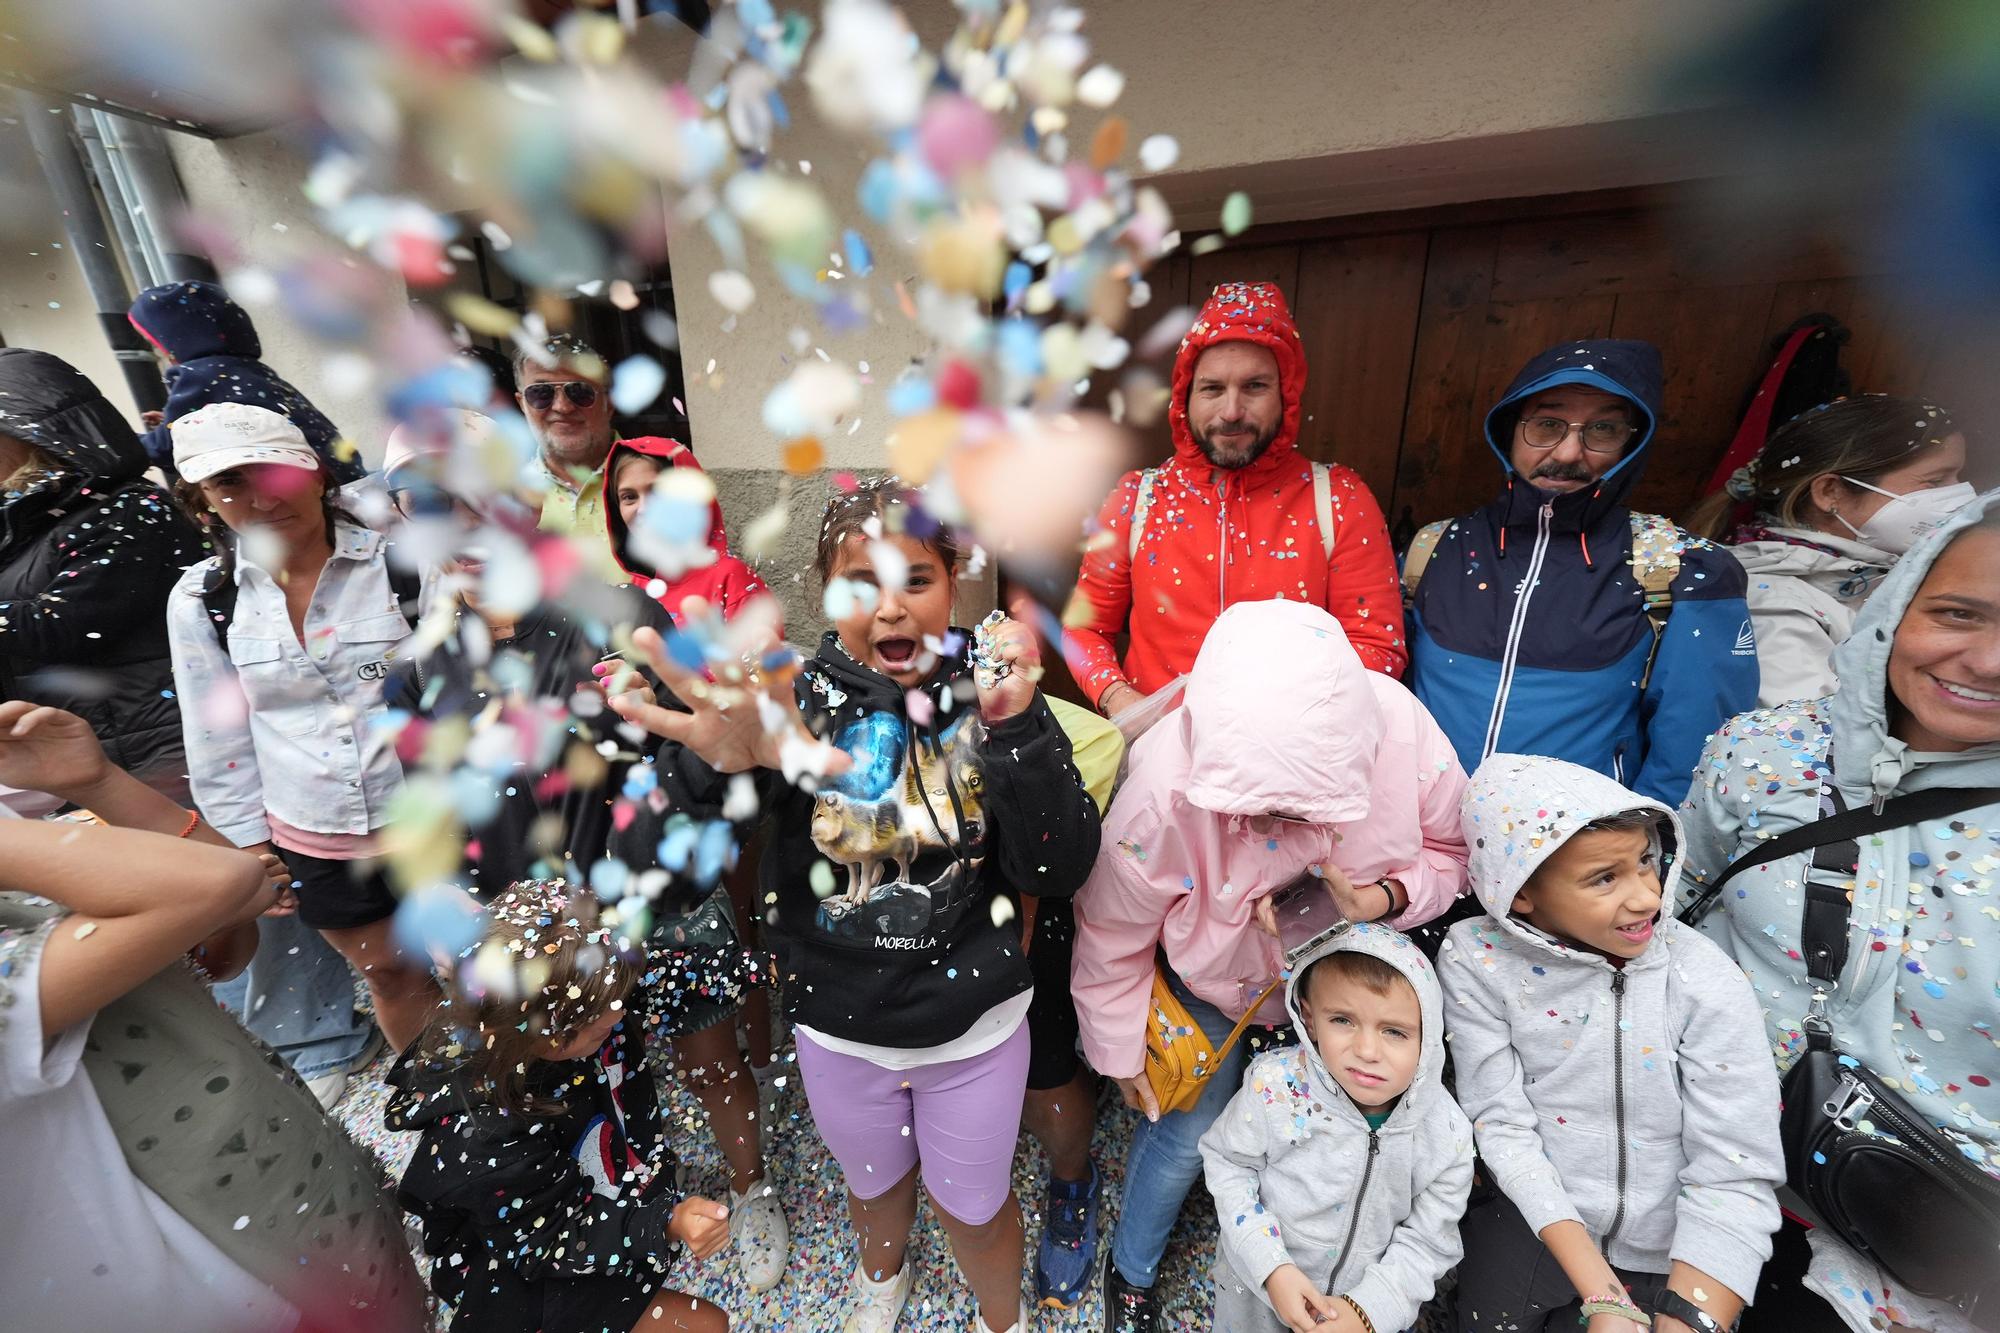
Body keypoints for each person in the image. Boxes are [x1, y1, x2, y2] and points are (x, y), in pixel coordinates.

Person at [605, 479, 1103, 1333]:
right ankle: (883, 1272)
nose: (891, 609)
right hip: (838, 1036)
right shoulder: (789, 704)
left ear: (955, 583)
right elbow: (658, 875)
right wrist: (709, 771)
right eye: (860, 584)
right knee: (872, 1186)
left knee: (976, 1207)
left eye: (917, 578)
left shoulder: (987, 702)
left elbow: (1058, 867)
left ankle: (1002, 1316)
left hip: (973, 1035)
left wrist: (1019, 731)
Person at [1071, 597, 1469, 1333]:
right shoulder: (1163, 788)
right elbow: (1111, 930)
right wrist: (1120, 1048)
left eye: (1302, 812)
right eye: (1254, 812)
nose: (1275, 832)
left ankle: (1345, 1275)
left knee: (1355, 1135)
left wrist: (1381, 898)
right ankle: (1129, 1270)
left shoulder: (1403, 732)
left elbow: (1454, 853)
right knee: (1187, 1131)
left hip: (1350, 995)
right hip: (1221, 993)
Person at [1678, 490, 2000, 1333]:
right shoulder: (1764, 751)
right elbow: (1674, 905)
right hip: (1698, 1187)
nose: (1990, 660)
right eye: (1960, 613)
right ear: (1900, 603)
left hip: (1919, 1269)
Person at [0, 700, 426, 1332]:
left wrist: (96, 783)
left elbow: (227, 942)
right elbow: (221, 885)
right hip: (221, 1288)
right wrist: (219, 884)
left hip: (298, 1199)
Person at [1441, 752, 1784, 1333]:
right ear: (1518, 892)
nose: (1648, 897)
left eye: (1647, 862)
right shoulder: (1477, 957)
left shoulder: (1702, 977)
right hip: (1533, 1225)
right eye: (1605, 878)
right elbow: (1498, 1120)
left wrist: (1686, 1319)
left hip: (1675, 1252)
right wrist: (1603, 1296)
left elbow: (1735, 1167)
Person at [164, 402, 440, 1059]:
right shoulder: (203, 599)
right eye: (230, 484)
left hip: (435, 814)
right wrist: (249, 845)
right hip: (315, 828)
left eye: (272, 473)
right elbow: (216, 734)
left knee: (478, 965)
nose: (260, 498)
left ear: (315, 473)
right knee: (390, 972)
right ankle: (453, 1115)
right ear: (203, 502)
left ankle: (528, 1113)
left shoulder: (404, 564)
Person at [1402, 339, 1759, 805]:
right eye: (1548, 425)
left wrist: (1639, 852)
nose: (1569, 452)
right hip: (1425, 845)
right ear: (1510, 430)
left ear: (1633, 444)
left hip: (1572, 858)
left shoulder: (1684, 572)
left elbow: (1693, 757)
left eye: (1603, 429)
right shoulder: (1434, 550)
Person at [385, 879, 739, 1333]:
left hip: (592, 1202)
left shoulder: (577, 993)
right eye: (598, 1032)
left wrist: (767, 970)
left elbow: (669, 982)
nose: (619, 1021)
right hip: (534, 1279)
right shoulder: (484, 1135)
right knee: (706, 1327)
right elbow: (553, 1241)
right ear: (549, 1038)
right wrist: (663, 1221)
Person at [1062, 281, 1405, 728]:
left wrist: (1281, 721)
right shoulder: (1136, 500)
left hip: (1293, 764)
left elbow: (1378, 648)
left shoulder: (1338, 499)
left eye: (1255, 386)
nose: (1231, 411)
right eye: (1212, 388)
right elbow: (1083, 629)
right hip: (1155, 758)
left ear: (1287, 394)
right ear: (1185, 396)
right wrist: (1119, 698)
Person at [1199, 923, 1474, 1333]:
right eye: (1342, 1020)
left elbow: (1429, 1241)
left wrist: (1366, 1312)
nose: (1365, 1051)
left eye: (1395, 1031)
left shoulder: (1445, 1134)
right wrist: (1271, 1268)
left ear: (1429, 1038)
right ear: (1309, 1019)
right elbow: (1228, 1162)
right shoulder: (1274, 1087)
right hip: (1256, 1293)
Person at [0, 348, 205, 812]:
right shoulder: (28, 519)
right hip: (86, 749)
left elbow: (64, 624)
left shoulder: (129, 509)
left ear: (30, 434)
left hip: (158, 750)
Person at [1684, 394, 1972, 707]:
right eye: (1935, 481)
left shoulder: (1878, 574)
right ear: (1830, 492)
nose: (1963, 495)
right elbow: (1812, 743)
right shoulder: (1776, 608)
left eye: (1958, 476)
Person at [128, 279, 364, 483]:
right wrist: (186, 422)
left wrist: (122, 442)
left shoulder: (202, 375)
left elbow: (166, 448)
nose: (163, 355)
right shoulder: (248, 370)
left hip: (311, 485)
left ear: (176, 340)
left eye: (158, 346)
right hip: (342, 474)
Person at [606, 434, 771, 624]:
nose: (643, 509)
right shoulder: (638, 585)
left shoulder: (733, 579)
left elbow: (764, 651)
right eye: (629, 497)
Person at [518, 333, 618, 540]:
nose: (562, 407)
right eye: (541, 393)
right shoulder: (507, 491)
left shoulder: (663, 476)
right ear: (522, 404)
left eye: (580, 391)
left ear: (609, 404)